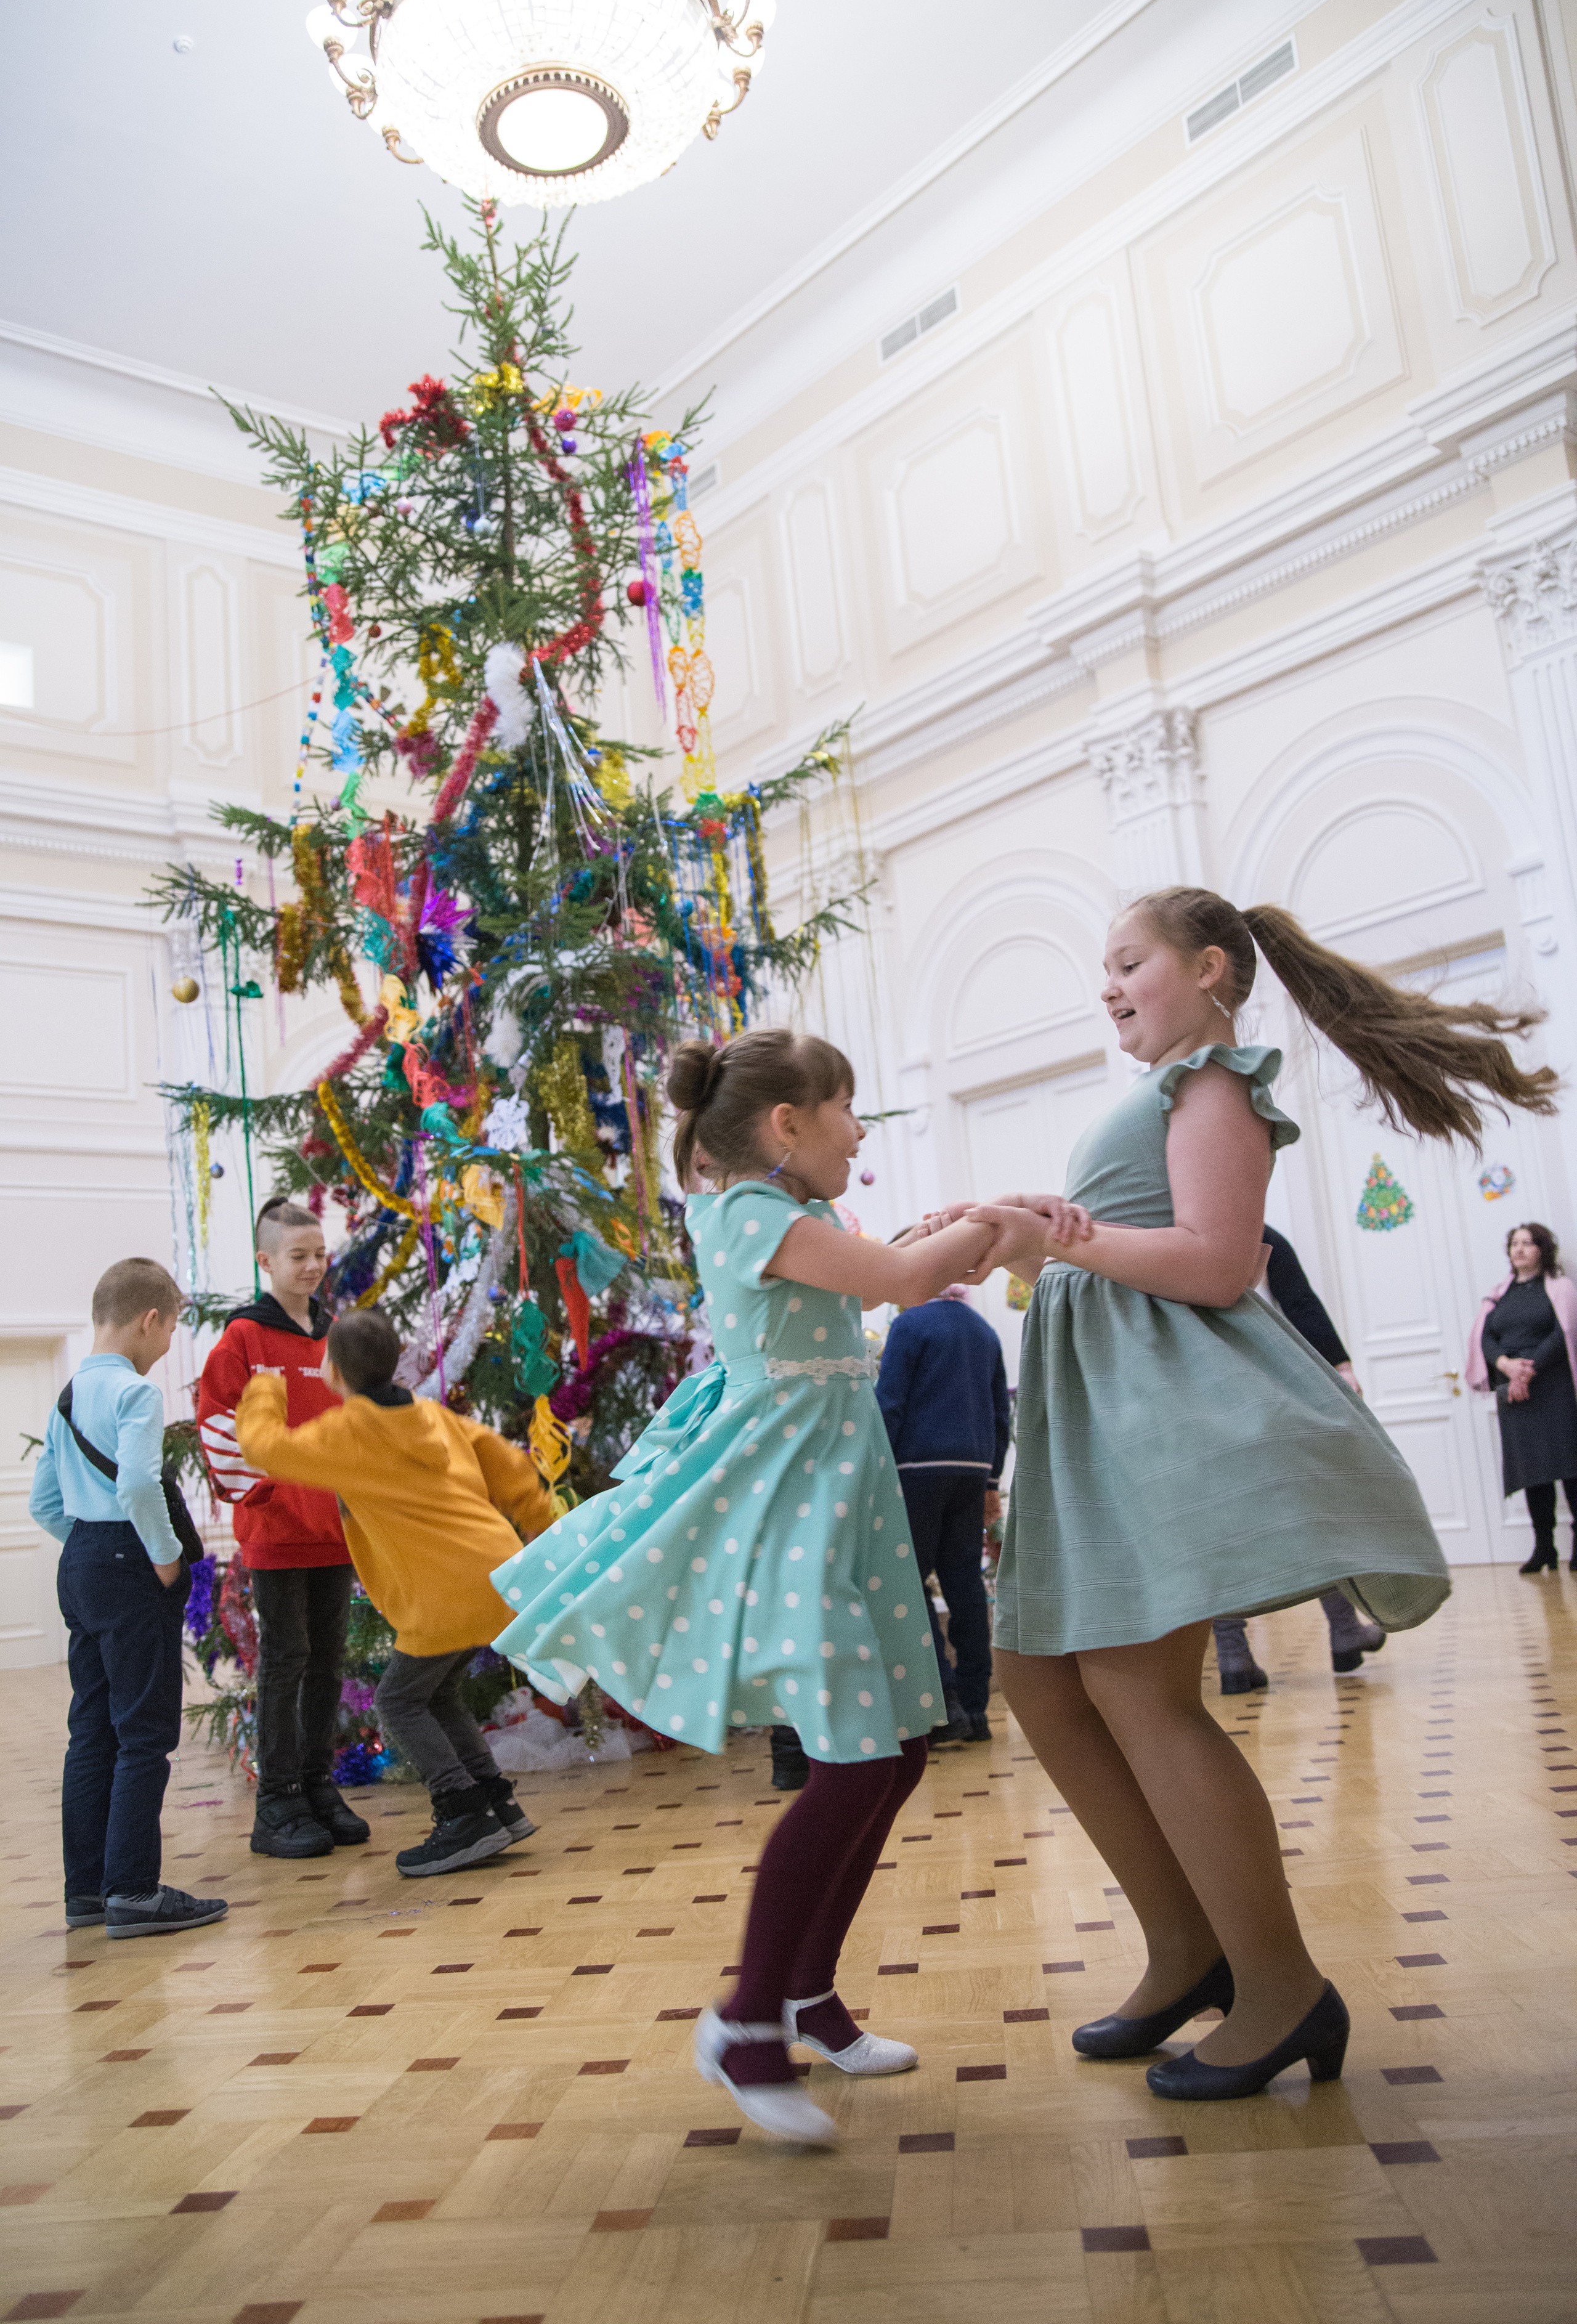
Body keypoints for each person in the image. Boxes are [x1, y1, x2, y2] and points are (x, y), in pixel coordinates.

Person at [934, 887, 1552, 2102]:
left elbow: (1217, 1263)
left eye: (1127, 962)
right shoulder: (1159, 1093)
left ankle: (1277, 1989)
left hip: (1160, 1419)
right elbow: (1115, 1243)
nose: (1106, 984)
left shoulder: (1209, 1086)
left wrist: (1058, 1236)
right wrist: (1016, 1236)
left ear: (1207, 968)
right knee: (1035, 1675)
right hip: (1101, 1414)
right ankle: (1185, 1951)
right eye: (1099, 969)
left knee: (1130, 1686)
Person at [486, 1027, 1029, 2146]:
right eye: (848, 1109)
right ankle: (744, 2024)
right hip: (792, 1510)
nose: (861, 1130)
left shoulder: (803, 1215)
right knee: (852, 1762)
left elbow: (906, 1266)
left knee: (901, 1745)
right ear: (788, 1127)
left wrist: (961, 1234)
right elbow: (912, 1281)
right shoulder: (744, 1215)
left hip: (844, 1502)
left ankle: (806, 1997)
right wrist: (999, 1225)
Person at [233, 1305, 553, 1877]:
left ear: (332, 1371)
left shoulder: (349, 1433)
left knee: (397, 1701)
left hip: (443, 1592)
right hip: (497, 1571)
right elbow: (509, 1464)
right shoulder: (434, 1416)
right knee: (436, 1695)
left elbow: (264, 1449)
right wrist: (539, 1526)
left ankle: (462, 1812)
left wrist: (263, 1387)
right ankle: (495, 1800)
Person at [28, 1257, 229, 1942]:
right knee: (145, 1734)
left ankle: (86, 1891)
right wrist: (165, 1560)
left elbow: (44, 1503)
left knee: (92, 1730)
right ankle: (135, 1892)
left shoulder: (67, 1396)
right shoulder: (135, 1395)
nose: (169, 1343)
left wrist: (87, 1547)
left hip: (82, 1560)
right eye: (172, 1328)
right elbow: (141, 1488)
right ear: (150, 1320)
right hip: (128, 1559)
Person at [198, 1197, 365, 1861]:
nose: (313, 1267)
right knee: (285, 1661)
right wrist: (271, 1498)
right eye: (298, 1256)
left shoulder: (336, 1335)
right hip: (276, 1532)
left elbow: (359, 1423)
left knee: (327, 1661)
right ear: (265, 1261)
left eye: (320, 1254)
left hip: (335, 1531)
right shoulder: (243, 1339)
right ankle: (278, 1802)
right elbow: (218, 1424)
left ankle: (319, 1788)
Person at [1212, 1226, 1386, 1691]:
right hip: (1272, 1389)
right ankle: (1345, 1632)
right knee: (1312, 1509)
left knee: (1217, 1527)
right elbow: (1300, 1303)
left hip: (1201, 1400)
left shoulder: (1157, 1229)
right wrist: (1342, 1367)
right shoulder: (1260, 1233)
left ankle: (1233, 1656)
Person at [876, 1278, 1010, 1744]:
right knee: (965, 1584)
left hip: (915, 1468)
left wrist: (876, 1469)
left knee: (910, 1585)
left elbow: (888, 1404)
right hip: (972, 1469)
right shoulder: (983, 1330)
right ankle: (977, 1709)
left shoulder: (909, 1326)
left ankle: (944, 1701)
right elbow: (1000, 1415)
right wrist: (992, 1478)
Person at [1467, 1221, 1577, 1573]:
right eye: (1515, 1243)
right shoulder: (1499, 1295)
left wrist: (1528, 1370)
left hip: (1553, 1387)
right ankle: (1544, 1547)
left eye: (1528, 1243)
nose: (1520, 1249)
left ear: (1542, 1250)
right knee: (1533, 1471)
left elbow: (1565, 1332)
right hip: (1515, 1395)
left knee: (1570, 1467)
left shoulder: (1560, 1287)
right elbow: (1484, 1339)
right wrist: (1506, 1365)